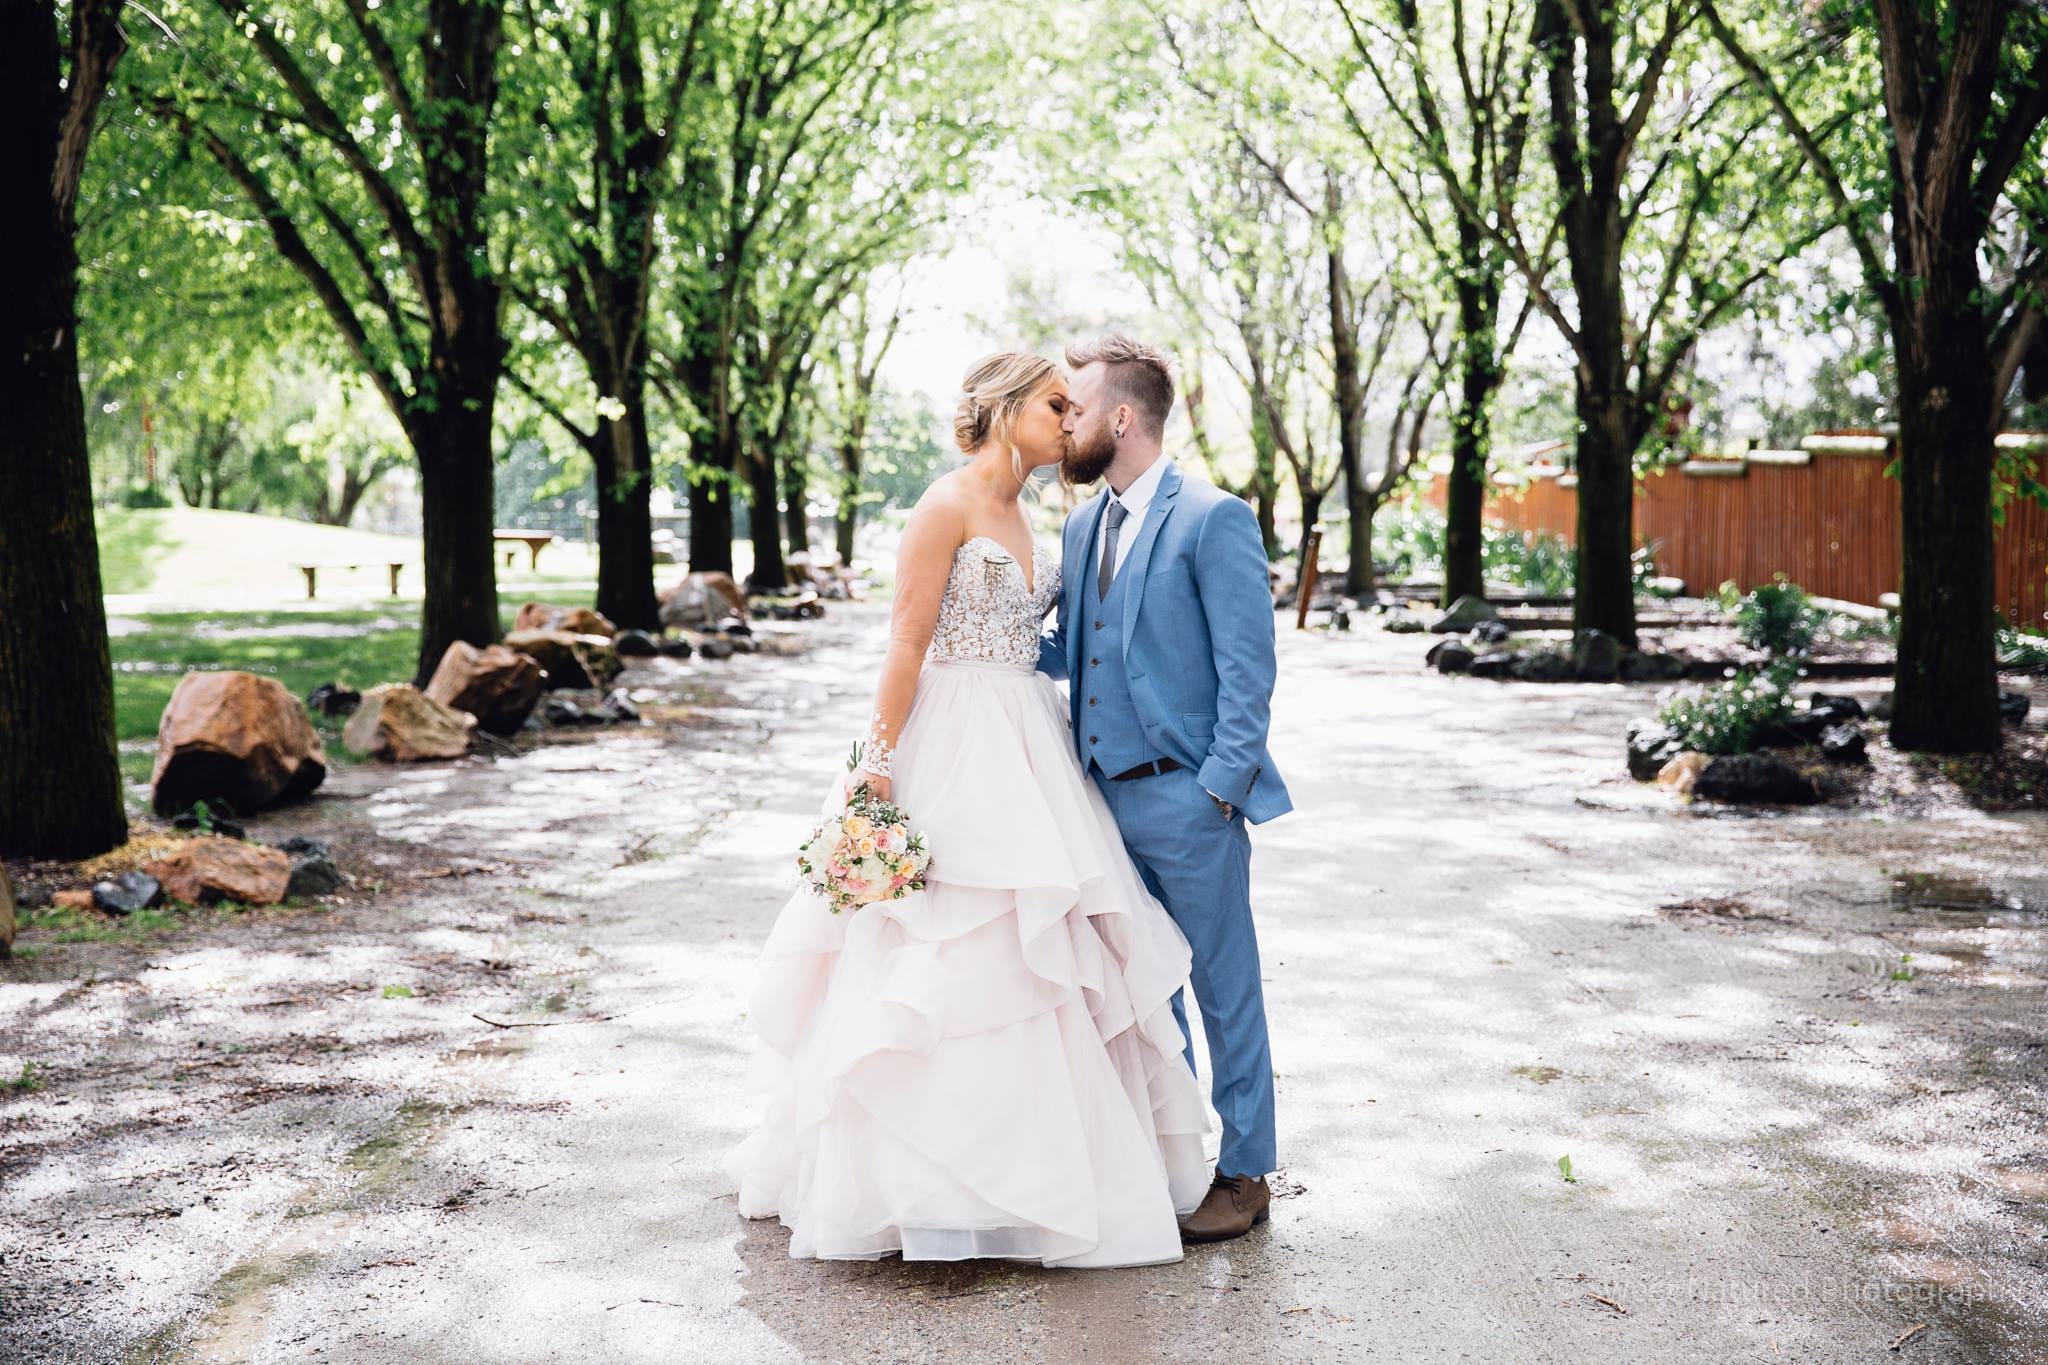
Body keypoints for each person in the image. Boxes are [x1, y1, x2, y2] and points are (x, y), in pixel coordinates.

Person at [726, 351, 1209, 1268]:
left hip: (1031, 741)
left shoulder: (1049, 516)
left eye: (1075, 406)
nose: (1070, 419)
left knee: (1043, 958)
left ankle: (1035, 1182)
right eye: (1055, 403)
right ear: (1004, 406)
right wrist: (874, 770)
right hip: (947, 740)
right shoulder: (943, 505)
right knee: (932, 948)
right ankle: (916, 1188)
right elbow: (906, 642)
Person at [1040, 334, 1290, 1242]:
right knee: (1145, 990)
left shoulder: (1213, 517)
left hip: (1189, 799)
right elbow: (1071, 649)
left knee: (1225, 988)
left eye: (1075, 406)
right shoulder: (1080, 525)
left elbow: (1248, 672)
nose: (1063, 422)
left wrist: (1219, 790)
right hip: (1100, 796)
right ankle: (1174, 1156)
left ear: (1122, 416)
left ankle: (1247, 1169)